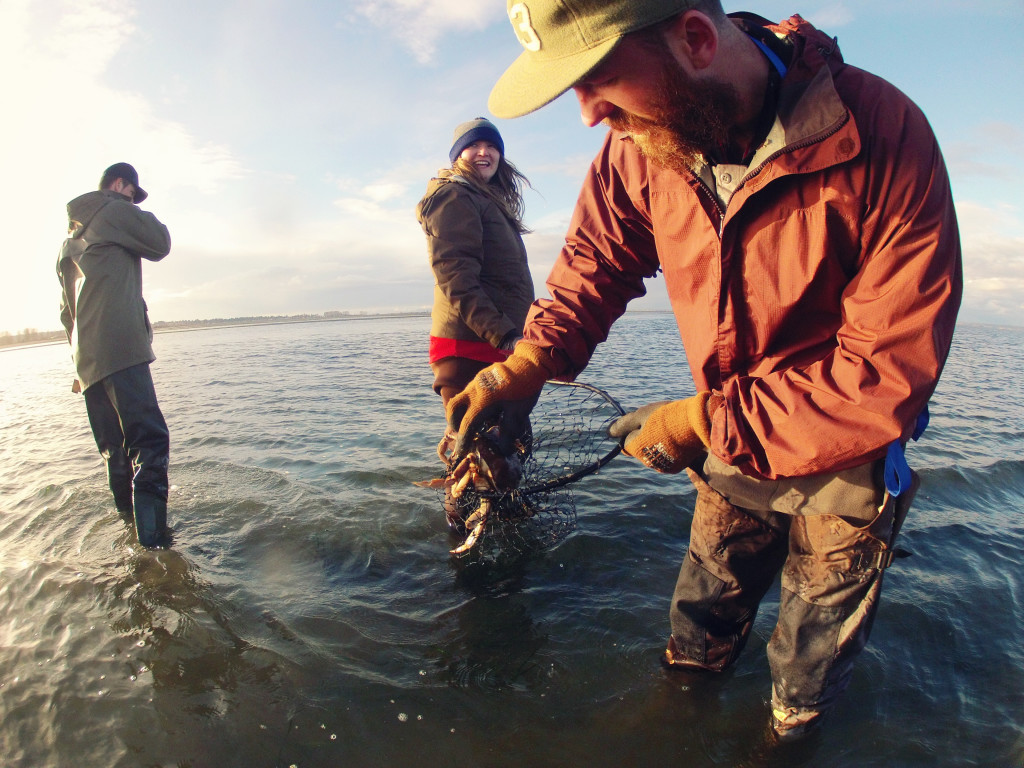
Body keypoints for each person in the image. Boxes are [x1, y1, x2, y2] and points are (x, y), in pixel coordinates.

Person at [447, 0, 962, 742]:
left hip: (845, 470)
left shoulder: (884, 133)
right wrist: (527, 362)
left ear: (694, 38)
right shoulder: (638, 147)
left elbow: (886, 369)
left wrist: (702, 420)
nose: (587, 113)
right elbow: (594, 265)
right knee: (698, 632)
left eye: (597, 78)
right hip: (730, 458)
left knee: (806, 675)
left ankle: (787, 743)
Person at [416, 118, 535, 520]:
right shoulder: (454, 196)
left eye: (492, 146)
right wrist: (504, 334)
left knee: (508, 444)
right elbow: (455, 277)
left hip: (495, 342)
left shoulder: (485, 199)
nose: (484, 152)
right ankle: (459, 539)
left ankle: (503, 513)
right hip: (469, 344)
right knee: (474, 452)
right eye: (473, 146)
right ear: (458, 156)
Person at [57, 162, 173, 548]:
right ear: (120, 184)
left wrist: (80, 365)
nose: (132, 202)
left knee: (117, 454)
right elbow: (160, 242)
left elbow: (66, 312)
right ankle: (155, 548)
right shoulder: (112, 210)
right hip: (121, 348)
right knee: (150, 443)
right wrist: (129, 207)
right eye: (131, 194)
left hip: (87, 363)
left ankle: (130, 535)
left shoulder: (69, 242)